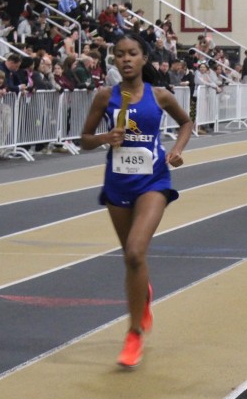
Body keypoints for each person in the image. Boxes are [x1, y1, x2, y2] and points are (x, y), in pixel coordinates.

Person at [79, 32, 193, 368]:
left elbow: (186, 123)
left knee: (134, 251)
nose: (126, 59)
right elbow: (84, 139)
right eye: (119, 54)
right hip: (118, 181)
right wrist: (105, 137)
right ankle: (143, 291)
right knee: (131, 261)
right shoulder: (105, 96)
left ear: (144, 58)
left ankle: (133, 334)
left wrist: (177, 150)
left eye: (132, 53)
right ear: (113, 60)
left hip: (153, 180)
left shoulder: (160, 95)